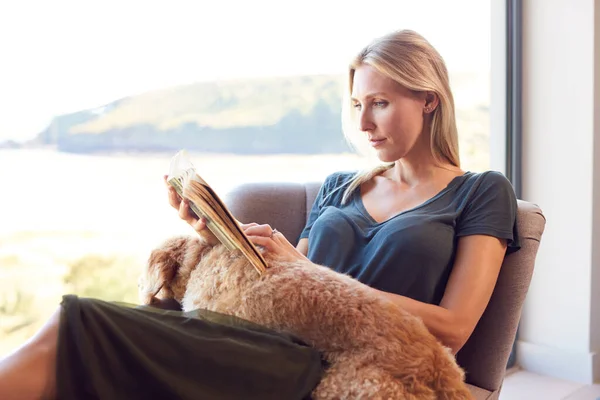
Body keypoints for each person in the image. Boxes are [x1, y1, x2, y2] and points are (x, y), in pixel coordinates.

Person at [0, 29, 519, 399]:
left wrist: (310, 271)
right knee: (76, 320)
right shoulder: (341, 187)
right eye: (357, 104)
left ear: (428, 99)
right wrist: (214, 235)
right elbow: (291, 282)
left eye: (379, 102)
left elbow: (455, 328)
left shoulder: (479, 193)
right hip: (268, 339)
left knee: (85, 325)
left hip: (332, 365)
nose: (363, 122)